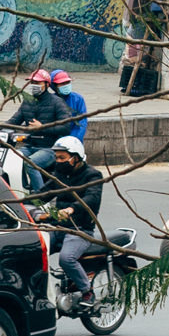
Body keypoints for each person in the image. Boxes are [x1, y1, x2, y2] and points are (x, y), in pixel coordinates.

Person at [34, 131, 106, 309]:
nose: (58, 161)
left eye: (62, 158)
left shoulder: (93, 175)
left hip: (80, 229)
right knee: (33, 249)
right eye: (56, 158)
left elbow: (92, 198)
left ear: (76, 157)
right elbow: (42, 194)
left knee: (66, 259)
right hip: (57, 228)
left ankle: (87, 291)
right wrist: (17, 202)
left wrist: (72, 208)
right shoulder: (59, 175)